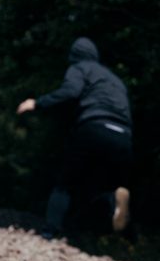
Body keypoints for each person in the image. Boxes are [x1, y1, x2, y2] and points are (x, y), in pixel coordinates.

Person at [17, 37, 132, 238]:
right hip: (123, 134)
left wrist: (37, 103)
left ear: (74, 56)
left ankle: (50, 233)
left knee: (66, 182)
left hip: (94, 127)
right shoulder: (114, 79)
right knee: (101, 186)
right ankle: (111, 203)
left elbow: (70, 92)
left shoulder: (80, 68)